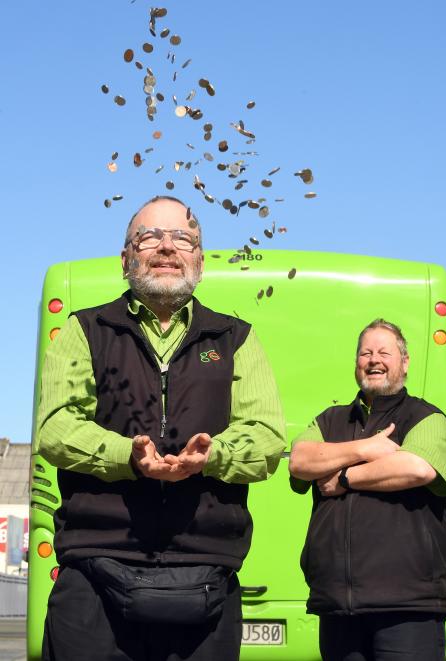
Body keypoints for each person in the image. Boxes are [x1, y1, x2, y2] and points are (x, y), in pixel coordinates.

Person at [37, 195, 286, 661]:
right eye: (149, 236)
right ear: (126, 257)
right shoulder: (85, 329)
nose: (167, 247)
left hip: (205, 570)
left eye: (183, 238)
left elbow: (267, 437)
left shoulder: (236, 338)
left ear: (200, 260)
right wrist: (125, 456)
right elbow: (56, 426)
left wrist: (212, 456)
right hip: (96, 566)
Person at [289, 319, 446, 661]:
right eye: (366, 352)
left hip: (408, 609)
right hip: (339, 609)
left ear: (405, 362)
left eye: (385, 352)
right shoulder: (329, 420)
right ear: (356, 363)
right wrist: (365, 449)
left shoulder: (426, 418)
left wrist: (343, 478)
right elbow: (300, 460)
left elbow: (417, 467)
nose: (374, 360)